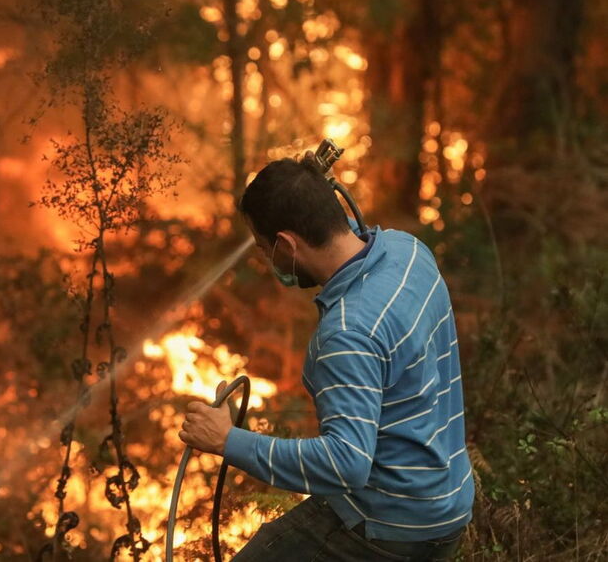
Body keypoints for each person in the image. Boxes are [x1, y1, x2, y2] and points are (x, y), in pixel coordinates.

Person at [179, 155, 474, 561]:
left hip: (390, 524)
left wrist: (227, 440)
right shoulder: (409, 251)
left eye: (265, 249)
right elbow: (336, 229)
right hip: (448, 505)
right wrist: (304, 188)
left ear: (287, 245)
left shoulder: (347, 332)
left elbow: (345, 464)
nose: (267, 259)